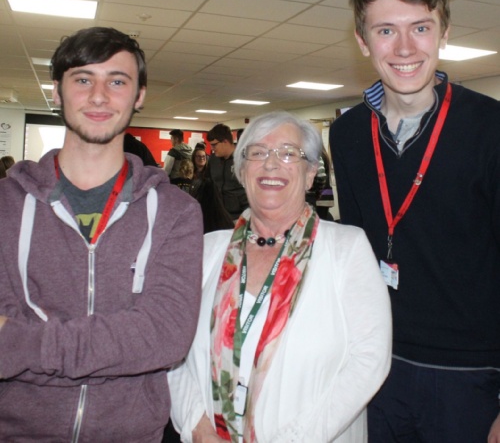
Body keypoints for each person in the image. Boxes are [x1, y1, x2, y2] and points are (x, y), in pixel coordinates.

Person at [0, 26, 203, 441]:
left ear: (139, 96)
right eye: (82, 79)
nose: (98, 96)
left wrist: (22, 343)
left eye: (117, 81)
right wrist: (119, 347)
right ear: (56, 92)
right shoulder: (6, 205)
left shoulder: (176, 211)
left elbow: (165, 337)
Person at [329, 0, 500, 443]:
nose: (405, 48)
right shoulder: (347, 133)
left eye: (421, 27)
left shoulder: (490, 128)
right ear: (363, 41)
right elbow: (357, 248)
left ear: (444, 32)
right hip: (377, 364)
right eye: (386, 30)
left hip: (470, 373)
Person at [168, 111, 391, 442]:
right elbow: (170, 354)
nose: (271, 164)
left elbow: (369, 361)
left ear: (311, 172)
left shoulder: (346, 248)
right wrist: (198, 428)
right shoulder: (206, 250)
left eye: (288, 153)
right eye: (257, 152)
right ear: (241, 170)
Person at [207, 123, 248, 221]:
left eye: (214, 144)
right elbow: (210, 184)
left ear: (225, 141)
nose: (212, 148)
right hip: (219, 215)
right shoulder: (213, 160)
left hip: (240, 216)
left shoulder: (244, 159)